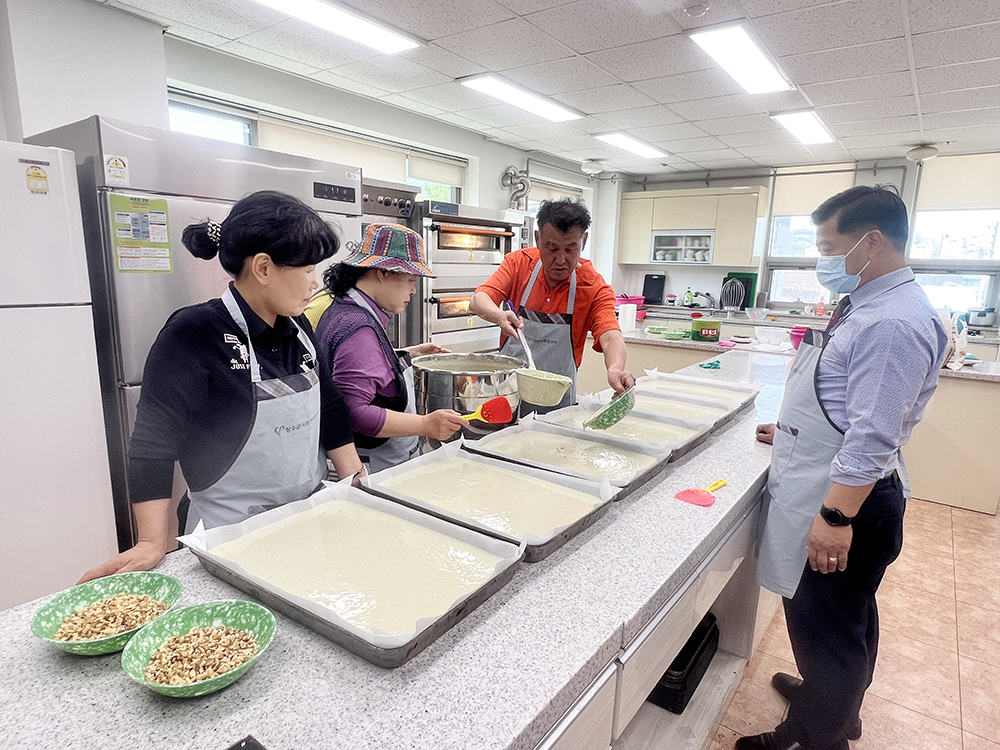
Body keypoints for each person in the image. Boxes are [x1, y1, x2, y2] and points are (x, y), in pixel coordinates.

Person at [741, 186, 949, 750]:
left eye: (829, 248)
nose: (823, 261)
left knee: (826, 628)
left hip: (848, 503)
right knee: (847, 617)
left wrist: (835, 518)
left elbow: (872, 435)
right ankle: (835, 705)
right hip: (843, 485)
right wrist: (794, 430)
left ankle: (814, 736)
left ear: (871, 242)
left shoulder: (891, 323)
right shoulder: (871, 303)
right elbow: (847, 402)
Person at [79, 191, 365, 584]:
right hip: (227, 538)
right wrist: (151, 541)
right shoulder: (194, 332)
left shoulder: (298, 327)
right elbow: (153, 443)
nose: (316, 283)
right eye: (307, 269)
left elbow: (329, 406)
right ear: (263, 268)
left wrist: (355, 483)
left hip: (306, 521)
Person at [314, 223, 466, 473]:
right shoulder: (358, 327)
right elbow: (354, 413)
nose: (413, 290)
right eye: (410, 280)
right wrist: (426, 425)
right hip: (373, 467)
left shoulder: (343, 308)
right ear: (382, 273)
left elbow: (357, 367)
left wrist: (407, 354)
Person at [469, 199, 634, 411]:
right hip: (507, 397)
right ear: (538, 239)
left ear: (584, 241)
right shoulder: (519, 264)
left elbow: (610, 335)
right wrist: (499, 316)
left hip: (558, 407)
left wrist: (615, 369)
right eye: (552, 248)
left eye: (570, 249)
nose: (560, 260)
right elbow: (478, 299)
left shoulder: (593, 287)